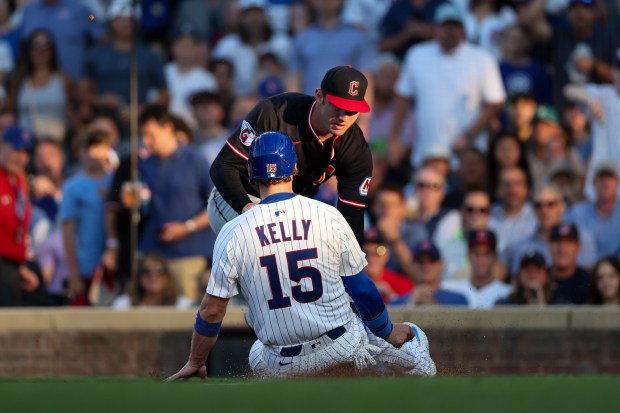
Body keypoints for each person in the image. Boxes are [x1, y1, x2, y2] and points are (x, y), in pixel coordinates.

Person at [167, 131, 436, 379]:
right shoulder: (328, 214)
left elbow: (212, 311)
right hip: (341, 346)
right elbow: (361, 288)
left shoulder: (232, 231)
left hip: (279, 364)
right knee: (416, 341)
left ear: (251, 174)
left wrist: (196, 360)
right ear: (294, 168)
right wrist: (388, 331)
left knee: (256, 352)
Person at [208, 65, 373, 245]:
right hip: (240, 197)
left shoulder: (355, 146)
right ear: (319, 97)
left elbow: (352, 212)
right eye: (338, 107)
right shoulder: (275, 113)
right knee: (274, 249)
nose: (344, 117)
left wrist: (353, 265)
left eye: (352, 110)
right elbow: (222, 166)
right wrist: (247, 207)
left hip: (290, 211)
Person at [136, 105, 212, 302]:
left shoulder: (195, 158)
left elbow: (217, 205)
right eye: (142, 135)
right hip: (152, 255)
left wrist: (187, 227)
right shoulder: (144, 164)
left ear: (168, 128)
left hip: (189, 256)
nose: (145, 141)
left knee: (186, 321)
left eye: (150, 134)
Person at [60, 129, 113, 303]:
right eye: (87, 148)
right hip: (85, 268)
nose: (93, 153)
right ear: (79, 152)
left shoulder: (116, 180)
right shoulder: (73, 186)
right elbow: (67, 232)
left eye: (98, 146)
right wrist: (73, 274)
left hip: (113, 265)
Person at [0, 125, 39, 306]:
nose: (20, 157)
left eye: (25, 152)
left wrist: (19, 266)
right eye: (15, 149)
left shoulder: (18, 181)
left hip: (12, 265)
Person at [442, 229, 512, 308]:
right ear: (468, 255)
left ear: (495, 256)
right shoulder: (452, 289)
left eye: (486, 253)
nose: (481, 259)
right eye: (476, 253)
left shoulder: (508, 293)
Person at [111, 253, 193, 309]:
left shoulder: (183, 306)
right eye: (146, 271)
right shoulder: (123, 305)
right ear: (138, 277)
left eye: (159, 271)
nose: (153, 276)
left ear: (168, 276)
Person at [496, 249, 568, 305]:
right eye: (527, 269)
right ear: (519, 274)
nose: (532, 273)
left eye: (537, 269)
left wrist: (541, 305)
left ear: (546, 275)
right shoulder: (505, 304)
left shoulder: (559, 304)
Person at [410, 239, 468, 306]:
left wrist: (430, 302)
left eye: (432, 260)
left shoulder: (458, 300)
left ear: (441, 265)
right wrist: (411, 303)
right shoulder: (399, 302)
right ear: (412, 266)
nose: (426, 266)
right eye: (420, 261)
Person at [548, 222, 590, 304]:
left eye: (569, 242)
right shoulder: (541, 278)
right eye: (557, 241)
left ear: (578, 248)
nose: (562, 248)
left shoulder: (589, 282)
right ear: (549, 246)